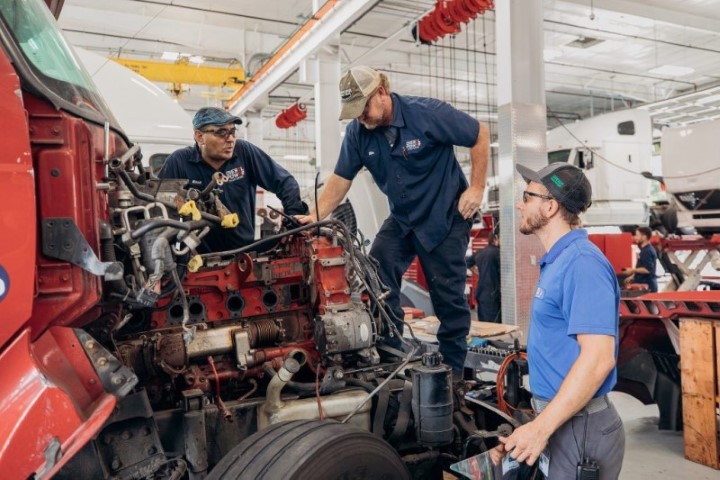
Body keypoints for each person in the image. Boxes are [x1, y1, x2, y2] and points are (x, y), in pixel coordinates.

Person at [296, 66, 489, 378]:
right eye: (354, 113)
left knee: (448, 301)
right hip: (402, 219)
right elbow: (341, 179)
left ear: (382, 92)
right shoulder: (358, 133)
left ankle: (453, 378)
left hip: (443, 219)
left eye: (364, 109)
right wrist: (315, 216)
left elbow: (479, 134)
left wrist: (477, 187)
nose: (361, 118)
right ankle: (390, 355)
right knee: (376, 270)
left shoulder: (427, 114)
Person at [491, 163, 625, 479]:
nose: (520, 204)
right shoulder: (558, 261)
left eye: (528, 196)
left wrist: (541, 428)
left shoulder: (582, 263)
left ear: (550, 207)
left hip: (582, 429)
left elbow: (598, 360)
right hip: (558, 419)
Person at [159, 107, 307, 253]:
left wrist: (293, 219)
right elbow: (159, 207)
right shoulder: (179, 161)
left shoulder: (244, 152)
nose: (230, 139)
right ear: (199, 137)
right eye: (221, 132)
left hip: (245, 253)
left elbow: (285, 182)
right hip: (197, 259)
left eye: (232, 132)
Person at [467, 233, 501, 323]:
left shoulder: (480, 252)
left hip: (481, 292)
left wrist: (478, 273)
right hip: (493, 294)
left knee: (483, 323)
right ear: (495, 239)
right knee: (494, 324)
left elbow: (467, 263)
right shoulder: (498, 253)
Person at [623, 226, 658, 292]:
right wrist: (633, 276)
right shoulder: (644, 250)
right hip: (644, 284)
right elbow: (642, 266)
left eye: (637, 235)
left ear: (644, 237)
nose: (635, 237)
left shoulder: (647, 251)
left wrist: (632, 270)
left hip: (647, 286)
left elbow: (647, 270)